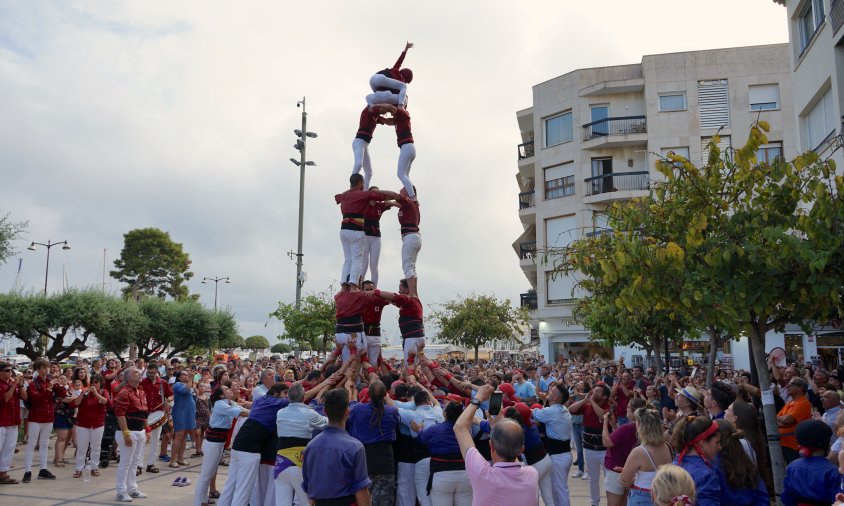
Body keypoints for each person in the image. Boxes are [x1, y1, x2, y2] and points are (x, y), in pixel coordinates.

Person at [453, 384, 539, 506]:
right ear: (521, 450)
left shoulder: (482, 474)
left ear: (491, 446)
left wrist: (478, 397)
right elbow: (511, 449)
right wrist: (495, 427)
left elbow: (460, 427)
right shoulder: (532, 474)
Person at [218, 382, 289, 506]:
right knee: (243, 492)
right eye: (285, 394)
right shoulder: (278, 402)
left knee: (230, 486)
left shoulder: (261, 400)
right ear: (276, 394)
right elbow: (299, 397)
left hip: (238, 446)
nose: (287, 397)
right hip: (249, 451)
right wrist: (325, 383)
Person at [302, 388, 372, 506]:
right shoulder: (355, 447)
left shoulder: (311, 446)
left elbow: (309, 489)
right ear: (347, 412)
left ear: (324, 411)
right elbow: (361, 491)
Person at [335, 174, 399, 288]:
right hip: (356, 231)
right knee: (357, 261)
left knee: (348, 260)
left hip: (344, 230)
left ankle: (344, 286)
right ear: (360, 183)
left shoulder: (344, 195)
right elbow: (386, 196)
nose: (364, 185)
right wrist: (398, 196)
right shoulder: (364, 195)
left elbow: (337, 198)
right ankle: (354, 286)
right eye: (363, 183)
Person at [274, 383, 327, 506]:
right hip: (300, 463)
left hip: (281, 462)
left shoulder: (280, 412)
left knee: (282, 503)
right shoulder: (309, 413)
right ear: (303, 397)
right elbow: (326, 423)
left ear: (288, 397)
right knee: (305, 502)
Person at [195, 385, 248, 506]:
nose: (230, 390)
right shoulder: (220, 404)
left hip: (219, 442)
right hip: (213, 442)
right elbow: (241, 412)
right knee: (206, 474)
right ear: (221, 395)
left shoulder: (229, 402)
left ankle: (203, 500)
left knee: (211, 471)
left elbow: (242, 407)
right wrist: (256, 413)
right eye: (227, 390)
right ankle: (199, 502)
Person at [620, 407, 674, 506]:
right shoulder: (667, 446)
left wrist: (630, 476)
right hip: (662, 495)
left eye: (637, 421)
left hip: (642, 497)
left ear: (641, 426)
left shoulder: (639, 451)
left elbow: (624, 481)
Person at [531, 382, 573, 506]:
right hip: (563, 455)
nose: (548, 392)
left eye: (551, 391)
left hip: (558, 456)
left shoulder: (552, 411)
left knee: (560, 490)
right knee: (559, 490)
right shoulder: (562, 408)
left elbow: (532, 412)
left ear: (555, 397)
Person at [569, 383, 610, 506]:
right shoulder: (586, 405)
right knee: (593, 479)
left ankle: (611, 502)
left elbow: (602, 415)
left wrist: (591, 401)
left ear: (604, 397)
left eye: (597, 391)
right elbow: (571, 409)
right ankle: (594, 503)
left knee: (609, 479)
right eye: (594, 390)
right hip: (589, 448)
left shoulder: (609, 406)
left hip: (604, 450)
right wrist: (585, 400)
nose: (594, 393)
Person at [781, 419, 840, 506]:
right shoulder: (833, 471)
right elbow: (838, 500)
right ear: (826, 444)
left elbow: (786, 498)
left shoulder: (792, 467)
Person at [113, 367, 150, 502]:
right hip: (128, 431)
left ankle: (132, 489)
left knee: (135, 462)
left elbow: (144, 412)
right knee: (125, 462)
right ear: (128, 377)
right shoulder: (124, 393)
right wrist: (126, 434)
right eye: (136, 373)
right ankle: (121, 491)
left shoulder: (140, 391)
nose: (139, 374)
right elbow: (120, 415)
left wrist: (147, 429)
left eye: (139, 373)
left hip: (139, 431)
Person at [371, 280, 424, 369]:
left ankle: (413, 381)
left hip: (412, 338)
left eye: (400, 289)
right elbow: (395, 302)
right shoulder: (412, 301)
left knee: (410, 366)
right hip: (415, 337)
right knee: (414, 365)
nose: (399, 291)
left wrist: (376, 292)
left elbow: (394, 296)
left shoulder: (408, 299)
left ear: (407, 289)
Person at [603, 398, 646, 506]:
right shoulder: (642, 427)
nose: (626, 408)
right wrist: (613, 426)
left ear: (634, 411)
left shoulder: (627, 427)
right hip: (631, 471)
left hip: (616, 469)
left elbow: (606, 442)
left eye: (628, 407)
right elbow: (621, 439)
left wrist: (604, 423)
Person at [22, 357, 59, 482]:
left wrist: (58, 386)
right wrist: (48, 389)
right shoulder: (33, 384)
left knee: (45, 443)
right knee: (32, 444)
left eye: (47, 367)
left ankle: (43, 469)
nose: (47, 369)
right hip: (36, 417)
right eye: (43, 367)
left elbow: (59, 395)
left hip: (48, 417)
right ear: (38, 369)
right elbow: (37, 399)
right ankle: (27, 471)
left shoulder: (49, 381)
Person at [672, 416, 721, 506]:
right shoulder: (706, 476)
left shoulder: (672, 468)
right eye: (717, 442)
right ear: (702, 443)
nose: (719, 447)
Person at [73, 374, 109, 479]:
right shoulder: (84, 392)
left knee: (96, 447)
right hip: (83, 423)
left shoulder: (103, 392)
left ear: (100, 383)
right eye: (92, 382)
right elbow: (76, 403)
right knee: (82, 447)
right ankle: (79, 469)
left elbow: (106, 401)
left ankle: (94, 467)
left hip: (98, 424)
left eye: (96, 382)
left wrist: (96, 394)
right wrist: (83, 394)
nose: (94, 384)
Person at [352, 107, 396, 192]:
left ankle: (364, 192)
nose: (385, 112)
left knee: (369, 172)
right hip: (359, 142)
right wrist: (390, 108)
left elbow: (389, 122)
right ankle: (352, 188)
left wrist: (399, 117)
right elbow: (381, 108)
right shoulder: (369, 110)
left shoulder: (376, 116)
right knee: (358, 164)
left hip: (365, 144)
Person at [139, 362, 172, 474]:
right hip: (145, 414)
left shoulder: (162, 383)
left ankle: (150, 464)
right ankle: (139, 465)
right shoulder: (142, 383)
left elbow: (171, 395)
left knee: (155, 441)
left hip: (158, 414)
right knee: (143, 440)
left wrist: (168, 399)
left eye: (153, 373)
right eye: (149, 372)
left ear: (157, 372)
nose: (151, 375)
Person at [360, 192, 395, 289]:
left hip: (376, 237)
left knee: (374, 266)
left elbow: (389, 201)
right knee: (364, 265)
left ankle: (374, 289)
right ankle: (359, 287)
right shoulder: (364, 204)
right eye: (374, 194)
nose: (376, 196)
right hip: (365, 236)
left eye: (377, 194)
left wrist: (383, 196)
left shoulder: (380, 205)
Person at [366, 41, 413, 110]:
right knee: (403, 87)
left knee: (378, 96)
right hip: (381, 80)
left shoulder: (395, 70)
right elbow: (401, 94)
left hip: (373, 79)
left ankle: (371, 105)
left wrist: (406, 49)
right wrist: (401, 105)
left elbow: (400, 61)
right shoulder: (401, 79)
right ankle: (401, 106)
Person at [777, 377, 812, 464]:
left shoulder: (804, 403)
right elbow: (775, 419)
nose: (788, 386)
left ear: (801, 388)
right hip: (783, 443)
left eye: (791, 384)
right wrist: (782, 420)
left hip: (794, 446)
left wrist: (782, 420)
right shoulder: (789, 403)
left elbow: (788, 420)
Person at [334, 283, 369, 362]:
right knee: (358, 362)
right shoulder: (359, 296)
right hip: (354, 333)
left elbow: (341, 291)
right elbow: (366, 297)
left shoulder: (338, 296)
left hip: (340, 334)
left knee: (346, 362)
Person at [0, 362, 23, 485]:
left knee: (8, 449)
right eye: (6, 371)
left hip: (12, 421)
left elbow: (24, 397)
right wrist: (14, 385)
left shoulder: (12, 384)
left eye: (11, 371)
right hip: (1, 422)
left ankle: (3, 474)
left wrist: (21, 385)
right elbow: (5, 399)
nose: (10, 373)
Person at [395, 186, 420, 295]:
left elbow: (394, 196)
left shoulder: (409, 202)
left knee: (407, 266)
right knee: (411, 267)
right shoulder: (408, 205)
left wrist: (377, 194)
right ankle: (415, 293)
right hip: (412, 237)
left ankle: (412, 294)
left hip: (410, 237)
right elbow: (395, 202)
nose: (400, 192)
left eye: (402, 191)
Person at [170, 370, 197, 468]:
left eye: (187, 374)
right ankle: (173, 460)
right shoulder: (177, 384)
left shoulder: (189, 385)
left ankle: (180, 458)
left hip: (188, 413)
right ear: (179, 377)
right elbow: (184, 391)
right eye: (184, 374)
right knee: (179, 435)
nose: (187, 375)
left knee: (184, 436)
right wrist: (190, 379)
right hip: (180, 412)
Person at [362, 280, 390, 365]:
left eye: (371, 289)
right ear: (362, 290)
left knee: (373, 362)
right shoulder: (358, 300)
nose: (369, 292)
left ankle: (375, 378)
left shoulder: (378, 299)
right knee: (362, 362)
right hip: (363, 334)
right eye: (367, 290)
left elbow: (391, 298)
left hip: (375, 334)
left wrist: (377, 292)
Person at [569, 381, 588, 479]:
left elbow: (581, 397)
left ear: (584, 386)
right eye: (578, 384)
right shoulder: (573, 396)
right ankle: (580, 470)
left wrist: (572, 386)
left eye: (582, 383)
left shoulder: (586, 395)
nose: (580, 385)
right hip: (575, 424)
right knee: (579, 449)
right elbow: (567, 405)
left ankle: (587, 471)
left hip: (583, 425)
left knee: (586, 449)